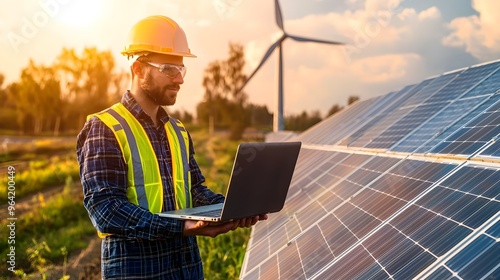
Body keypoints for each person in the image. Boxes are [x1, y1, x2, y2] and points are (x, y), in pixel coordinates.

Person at [76, 15, 267, 279]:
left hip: (186, 269)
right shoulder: (105, 128)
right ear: (138, 68)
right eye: (168, 69)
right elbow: (105, 209)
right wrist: (181, 226)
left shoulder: (178, 131)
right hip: (138, 271)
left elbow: (194, 190)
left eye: (182, 69)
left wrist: (232, 208)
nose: (179, 79)